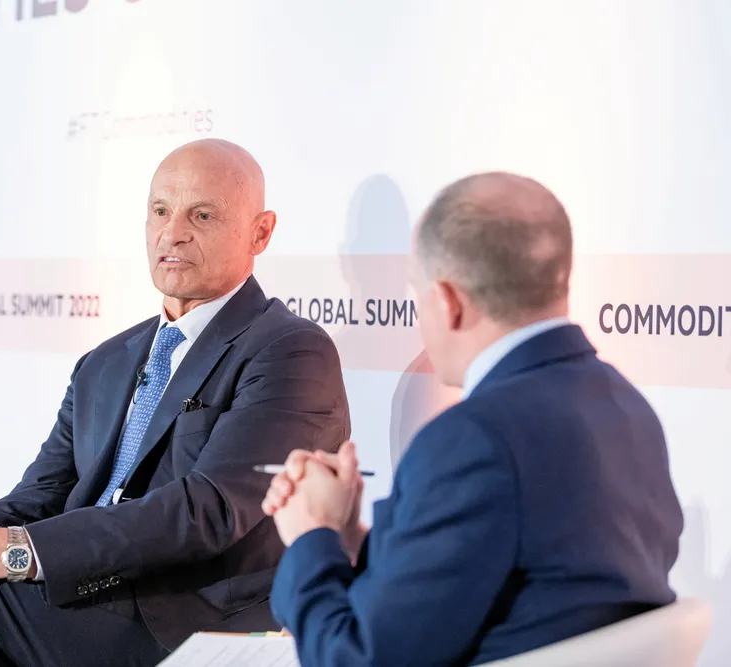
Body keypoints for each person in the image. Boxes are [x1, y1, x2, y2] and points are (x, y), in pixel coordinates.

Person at [0, 138, 350, 667]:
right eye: (160, 211)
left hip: (181, 620)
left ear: (260, 232)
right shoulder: (105, 362)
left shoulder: (289, 349)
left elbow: (206, 512)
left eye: (201, 215)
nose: (173, 233)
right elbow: (40, 496)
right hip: (80, 596)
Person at [262, 172, 683, 666]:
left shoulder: (472, 439)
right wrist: (350, 538)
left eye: (416, 293)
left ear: (448, 302)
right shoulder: (625, 404)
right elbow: (510, 573)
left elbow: (356, 659)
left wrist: (311, 537)